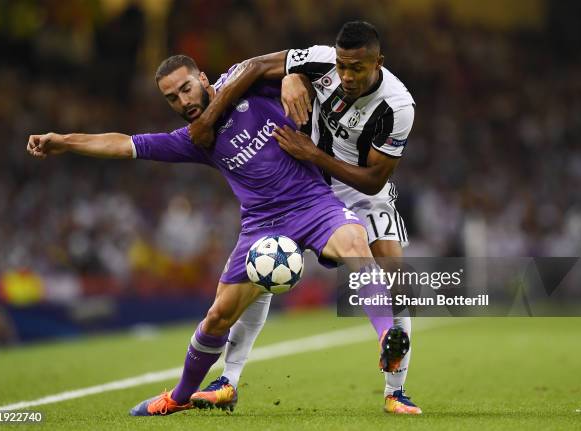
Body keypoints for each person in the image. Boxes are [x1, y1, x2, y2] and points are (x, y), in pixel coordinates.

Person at [26, 53, 408, 416]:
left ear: (203, 79)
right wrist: (64, 141)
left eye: (186, 88)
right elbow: (123, 143)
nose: (182, 100)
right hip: (261, 226)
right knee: (216, 317)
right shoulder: (195, 140)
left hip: (315, 204)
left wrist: (293, 77)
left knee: (356, 246)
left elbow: (296, 68)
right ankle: (178, 397)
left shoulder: (250, 87)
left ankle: (386, 339)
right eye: (172, 97)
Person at [189, 21, 420, 415]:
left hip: (360, 190)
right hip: (304, 184)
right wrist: (287, 79)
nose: (346, 76)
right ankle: (227, 381)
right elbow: (256, 65)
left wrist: (313, 154)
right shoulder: (322, 61)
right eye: (342, 66)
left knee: (397, 279)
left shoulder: (397, 106)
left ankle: (394, 392)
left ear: (378, 63)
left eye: (357, 69)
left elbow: (372, 180)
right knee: (263, 269)